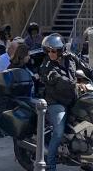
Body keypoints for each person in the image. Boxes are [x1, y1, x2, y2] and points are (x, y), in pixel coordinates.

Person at [39, 33, 93, 171]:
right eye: (48, 50)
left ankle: (87, 160)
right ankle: (50, 165)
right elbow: (59, 80)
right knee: (58, 131)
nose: (50, 53)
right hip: (57, 102)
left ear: (61, 50)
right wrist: (75, 84)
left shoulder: (72, 58)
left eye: (53, 50)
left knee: (87, 126)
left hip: (74, 98)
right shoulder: (46, 66)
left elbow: (87, 69)